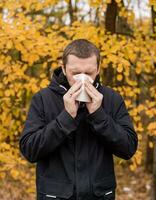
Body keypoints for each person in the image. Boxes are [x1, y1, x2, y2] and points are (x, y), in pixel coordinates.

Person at [19, 39, 138, 200]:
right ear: (63, 69)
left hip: (99, 195)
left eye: (88, 73)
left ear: (98, 70)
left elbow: (128, 148)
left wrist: (98, 115)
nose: (82, 79)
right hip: (55, 195)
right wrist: (65, 118)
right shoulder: (43, 99)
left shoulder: (111, 99)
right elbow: (30, 150)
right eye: (75, 73)